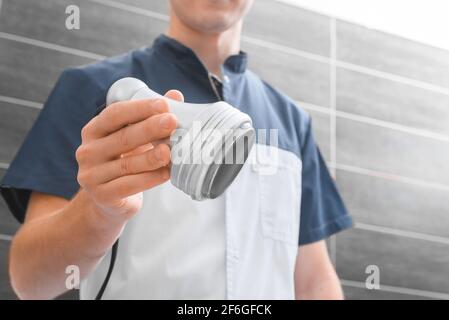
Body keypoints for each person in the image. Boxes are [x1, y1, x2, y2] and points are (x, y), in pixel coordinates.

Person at [0, 0, 353, 299]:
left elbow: (313, 279)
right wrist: (99, 212)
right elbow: (30, 280)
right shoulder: (91, 90)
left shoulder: (292, 121)